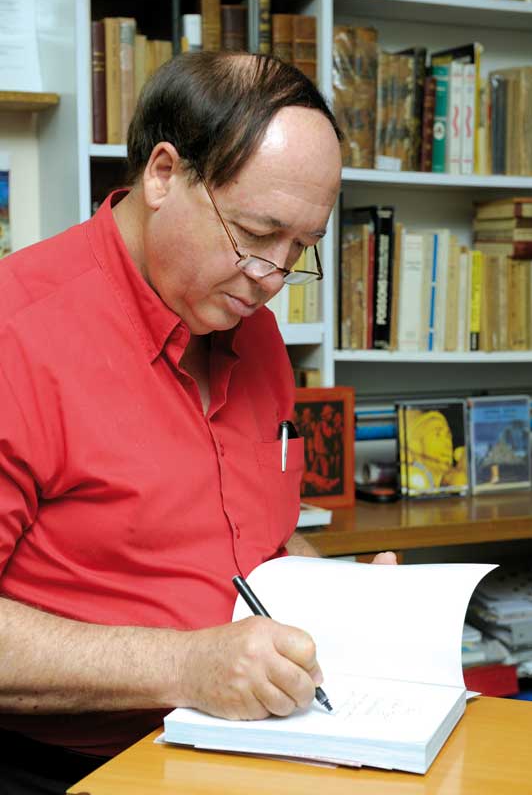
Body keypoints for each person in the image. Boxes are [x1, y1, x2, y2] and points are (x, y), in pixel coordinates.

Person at [0, 51, 395, 794]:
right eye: (256, 232)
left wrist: (339, 599)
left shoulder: (253, 329)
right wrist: (186, 666)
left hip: (247, 751)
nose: (274, 278)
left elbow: (250, 542)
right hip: (63, 770)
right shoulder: (16, 333)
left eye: (301, 247)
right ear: (163, 175)